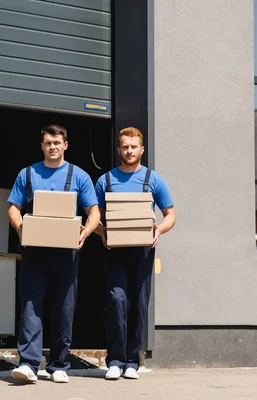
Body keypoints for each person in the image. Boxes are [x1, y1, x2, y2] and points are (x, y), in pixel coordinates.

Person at [8, 124, 100, 384]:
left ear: (65, 145)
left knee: (64, 309)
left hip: (66, 253)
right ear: (42, 146)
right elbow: (13, 208)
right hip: (34, 252)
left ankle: (58, 364)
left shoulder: (79, 176)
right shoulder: (27, 174)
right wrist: (20, 227)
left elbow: (94, 211)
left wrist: (86, 233)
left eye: (57, 143)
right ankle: (28, 364)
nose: (53, 147)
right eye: (48, 143)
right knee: (30, 307)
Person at [94, 127, 176, 380]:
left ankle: (132, 361)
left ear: (141, 150)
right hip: (115, 249)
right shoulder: (105, 180)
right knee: (117, 302)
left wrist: (159, 230)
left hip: (142, 249)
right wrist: (101, 232)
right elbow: (93, 215)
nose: (129, 151)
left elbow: (170, 215)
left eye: (133, 147)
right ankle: (115, 360)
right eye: (125, 147)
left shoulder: (153, 179)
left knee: (139, 304)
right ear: (119, 150)